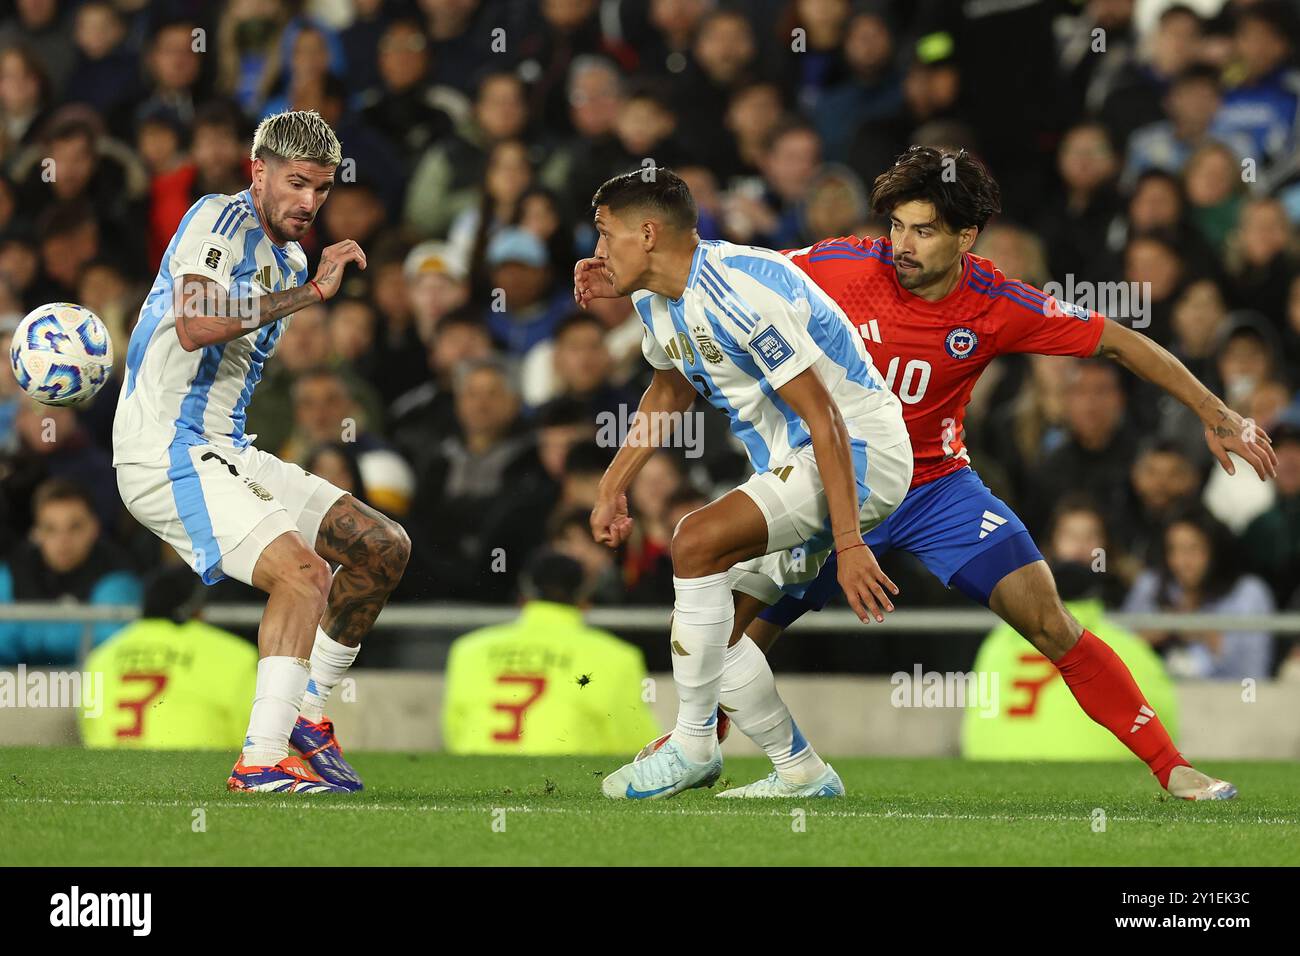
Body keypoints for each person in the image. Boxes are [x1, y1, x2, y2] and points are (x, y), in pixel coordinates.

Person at [587, 147, 1275, 801]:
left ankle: (1174, 767)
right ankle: (712, 741)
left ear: (967, 238)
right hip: (828, 485)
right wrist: (629, 272)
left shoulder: (998, 303)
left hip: (936, 487)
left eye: (923, 231)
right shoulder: (838, 265)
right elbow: (720, 285)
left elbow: (1119, 341)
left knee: (1048, 621)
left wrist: (1216, 412)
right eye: (895, 226)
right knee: (730, 631)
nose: (902, 245)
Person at [574, 167, 912, 800]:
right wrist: (613, 484)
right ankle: (803, 773)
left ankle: (692, 744)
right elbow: (669, 386)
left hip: (860, 452)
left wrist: (848, 542)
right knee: (716, 637)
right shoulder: (653, 296)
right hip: (796, 459)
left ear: (647, 233)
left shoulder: (739, 292)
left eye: (604, 234)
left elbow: (825, 416)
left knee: (694, 541)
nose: (596, 252)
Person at [112, 109, 411, 794]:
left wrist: (301, 286)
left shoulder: (292, 257)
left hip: (226, 447)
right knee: (304, 576)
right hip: (165, 448)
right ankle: (260, 760)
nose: (309, 202)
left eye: (323, 189)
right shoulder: (219, 221)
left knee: (380, 547)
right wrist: (308, 296)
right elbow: (195, 327)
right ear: (259, 172)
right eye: (297, 183)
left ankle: (307, 717)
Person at [442, 550, 660, 755]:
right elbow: (635, 744)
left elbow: (454, 732)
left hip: (478, 778)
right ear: (585, 600)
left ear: (523, 596)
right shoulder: (618, 657)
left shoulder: (468, 649)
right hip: (566, 784)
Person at [80, 566, 258, 749]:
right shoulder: (235, 655)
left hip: (113, 769)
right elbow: (257, 734)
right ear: (197, 609)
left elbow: (90, 730)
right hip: (197, 769)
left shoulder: (101, 656)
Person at [0, 478, 140, 665]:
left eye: (75, 527)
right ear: (37, 533)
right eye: (50, 529)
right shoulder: (12, 572)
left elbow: (111, 653)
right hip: (19, 688)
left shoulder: (117, 575)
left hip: (90, 689)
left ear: (94, 528)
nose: (63, 540)